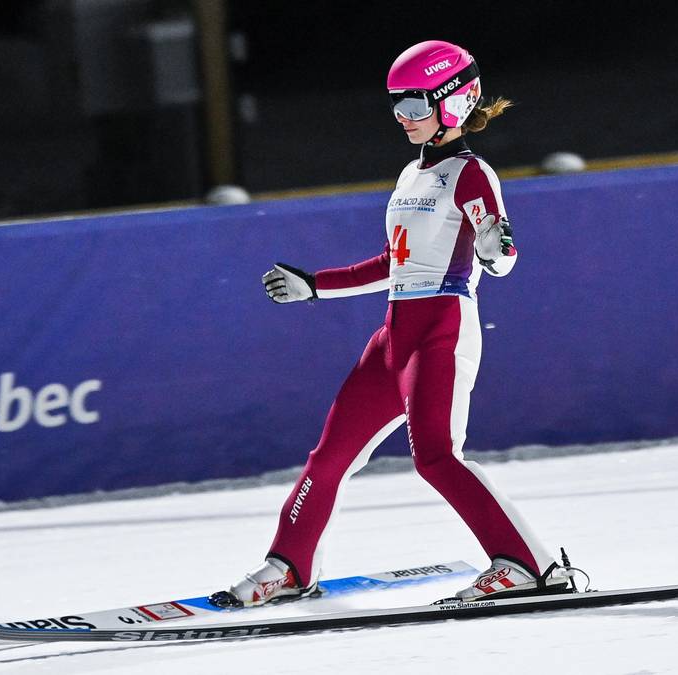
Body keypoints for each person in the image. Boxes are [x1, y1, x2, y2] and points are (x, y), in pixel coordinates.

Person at [210, 40, 573, 609]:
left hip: (442, 329)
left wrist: (492, 246)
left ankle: (529, 565)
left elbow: (501, 260)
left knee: (435, 457)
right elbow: (393, 264)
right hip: (394, 335)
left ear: (454, 103)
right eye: (398, 109)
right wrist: (316, 284)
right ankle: (290, 565)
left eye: (416, 107)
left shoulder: (471, 174)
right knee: (328, 457)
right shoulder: (411, 174)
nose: (404, 120)